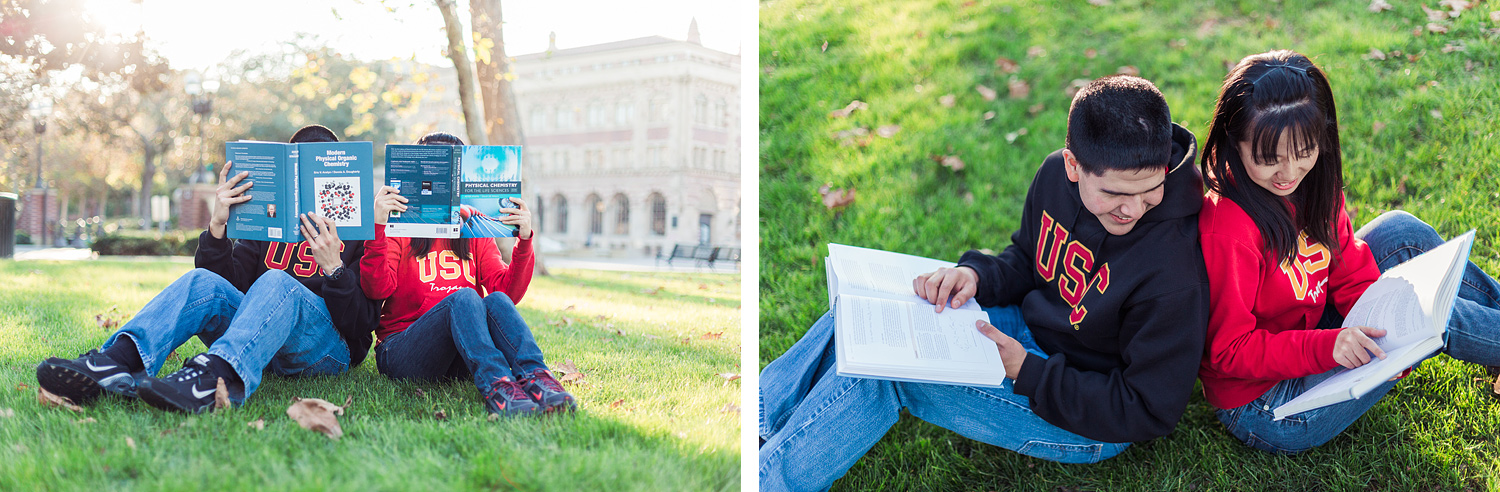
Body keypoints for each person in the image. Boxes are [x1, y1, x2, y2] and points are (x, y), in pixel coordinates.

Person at [758, 76, 1209, 491]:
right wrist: (974, 274)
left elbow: (1149, 409)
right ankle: (760, 417)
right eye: (1115, 194)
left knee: (892, 372)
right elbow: (1027, 260)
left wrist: (1027, 371)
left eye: (1149, 191)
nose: (1132, 208)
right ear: (1073, 165)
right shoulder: (1054, 174)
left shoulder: (1173, 272)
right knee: (874, 309)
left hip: (1084, 414)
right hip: (1024, 333)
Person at [1196, 49, 1500, 454]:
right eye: (1269, 158)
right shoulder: (1228, 229)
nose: (1288, 172)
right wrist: (1330, 346)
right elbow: (1229, 351)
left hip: (1307, 328)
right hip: (1268, 405)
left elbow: (1348, 269)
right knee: (1431, 314)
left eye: (1304, 151)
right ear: (1235, 143)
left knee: (1401, 231)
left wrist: (1389, 326)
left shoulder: (1313, 183)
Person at [35, 124, 379, 413]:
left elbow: (362, 327)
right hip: (259, 339)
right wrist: (218, 226)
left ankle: (215, 379)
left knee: (278, 281)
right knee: (201, 279)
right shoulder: (267, 225)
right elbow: (222, 285)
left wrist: (335, 269)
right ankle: (118, 362)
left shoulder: (363, 232)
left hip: (325, 353)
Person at [361, 132, 574, 417]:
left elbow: (506, 293)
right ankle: (497, 387)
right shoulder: (400, 226)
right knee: (463, 297)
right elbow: (377, 290)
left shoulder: (474, 229)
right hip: (403, 352)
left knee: (495, 301)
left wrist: (523, 241)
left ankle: (538, 378)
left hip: (461, 353)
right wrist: (378, 226)